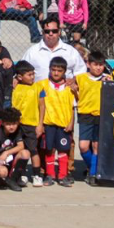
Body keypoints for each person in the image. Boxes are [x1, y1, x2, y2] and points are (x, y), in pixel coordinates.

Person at [36, 56, 78, 187]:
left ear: (65, 72)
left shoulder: (69, 88)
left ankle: (63, 175)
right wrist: (41, 124)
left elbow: (73, 107)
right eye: (53, 70)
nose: (56, 73)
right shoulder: (42, 86)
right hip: (48, 124)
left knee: (63, 150)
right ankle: (49, 175)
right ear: (49, 70)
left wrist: (71, 122)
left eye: (59, 70)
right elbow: (39, 106)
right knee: (49, 150)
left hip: (63, 125)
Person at [75, 51, 110, 182]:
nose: (98, 68)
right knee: (83, 146)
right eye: (95, 64)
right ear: (88, 64)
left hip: (102, 115)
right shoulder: (80, 78)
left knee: (96, 146)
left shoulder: (108, 78)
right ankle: (92, 167)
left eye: (101, 65)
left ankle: (93, 174)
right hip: (85, 115)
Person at [10, 61, 44, 185]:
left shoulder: (38, 87)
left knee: (33, 150)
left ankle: (36, 175)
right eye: (29, 75)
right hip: (18, 124)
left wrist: (40, 124)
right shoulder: (15, 87)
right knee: (20, 150)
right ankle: (21, 174)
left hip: (32, 124)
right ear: (19, 77)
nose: (32, 77)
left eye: (33, 74)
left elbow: (42, 105)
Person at [22, 20, 87, 81]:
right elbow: (21, 71)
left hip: (65, 92)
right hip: (39, 92)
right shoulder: (32, 52)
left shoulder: (71, 51)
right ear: (43, 33)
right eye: (47, 31)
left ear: (59, 32)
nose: (51, 34)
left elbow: (81, 72)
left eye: (54, 31)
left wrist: (73, 81)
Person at [0, 108, 29, 191]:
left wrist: (6, 153)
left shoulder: (18, 130)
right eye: (8, 124)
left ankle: (13, 179)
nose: (11, 127)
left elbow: (21, 146)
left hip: (9, 160)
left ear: (18, 122)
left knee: (25, 153)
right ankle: (1, 180)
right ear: (2, 122)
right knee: (3, 172)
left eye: (14, 124)